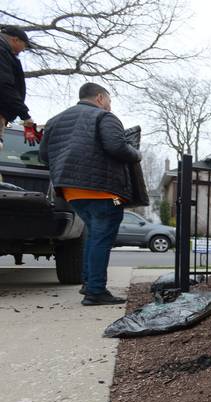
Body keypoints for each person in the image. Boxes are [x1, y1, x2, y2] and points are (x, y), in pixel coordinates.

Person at [39, 82, 141, 306]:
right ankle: (95, 291)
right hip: (106, 193)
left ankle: (88, 284)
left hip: (72, 193)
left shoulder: (55, 121)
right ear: (100, 98)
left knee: (94, 236)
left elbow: (44, 155)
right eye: (109, 102)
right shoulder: (104, 117)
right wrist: (136, 153)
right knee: (102, 238)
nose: (110, 107)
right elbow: (117, 147)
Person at [0, 25, 35, 153]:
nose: (23, 50)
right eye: (24, 46)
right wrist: (24, 114)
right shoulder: (2, 52)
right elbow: (4, 85)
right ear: (15, 40)